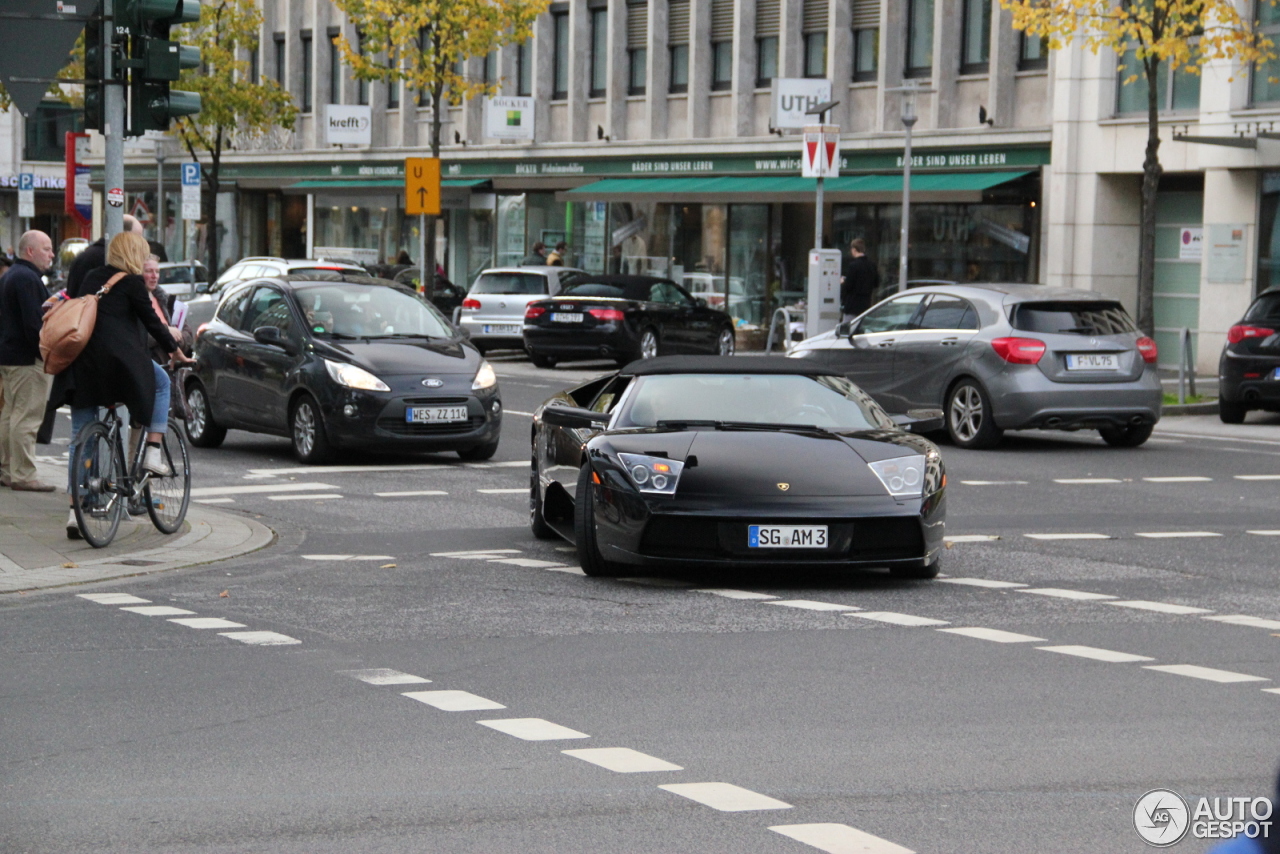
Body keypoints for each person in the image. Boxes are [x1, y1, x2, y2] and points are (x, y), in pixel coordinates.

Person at [56, 232, 193, 538]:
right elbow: (153, 324)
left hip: (84, 366)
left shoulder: (92, 276)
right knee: (160, 382)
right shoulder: (132, 283)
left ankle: (74, 512)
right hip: (120, 367)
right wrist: (177, 351)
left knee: (80, 437)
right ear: (134, 254)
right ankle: (153, 452)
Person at [0, 231, 58, 491]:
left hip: (10, 355)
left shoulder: (11, 275)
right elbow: (34, 325)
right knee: (26, 418)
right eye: (47, 249)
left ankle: (8, 470)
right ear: (30, 251)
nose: (52, 254)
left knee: (10, 416)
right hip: (27, 359)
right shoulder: (27, 279)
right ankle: (24, 475)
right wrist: (46, 355)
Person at [66, 214, 141, 296]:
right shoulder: (110, 260)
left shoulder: (89, 254)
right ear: (123, 236)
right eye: (137, 238)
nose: (140, 244)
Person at [143, 254, 186, 361]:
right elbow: (140, 336)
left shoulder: (166, 300)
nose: (154, 276)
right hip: (153, 365)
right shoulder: (138, 302)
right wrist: (166, 332)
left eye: (157, 272)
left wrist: (178, 339)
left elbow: (186, 331)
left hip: (172, 366)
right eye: (149, 271)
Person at [840, 237, 879, 320]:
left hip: (852, 306)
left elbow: (848, 286)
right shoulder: (872, 265)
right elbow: (876, 283)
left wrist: (843, 282)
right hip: (866, 305)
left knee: (846, 330)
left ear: (854, 250)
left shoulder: (853, 266)